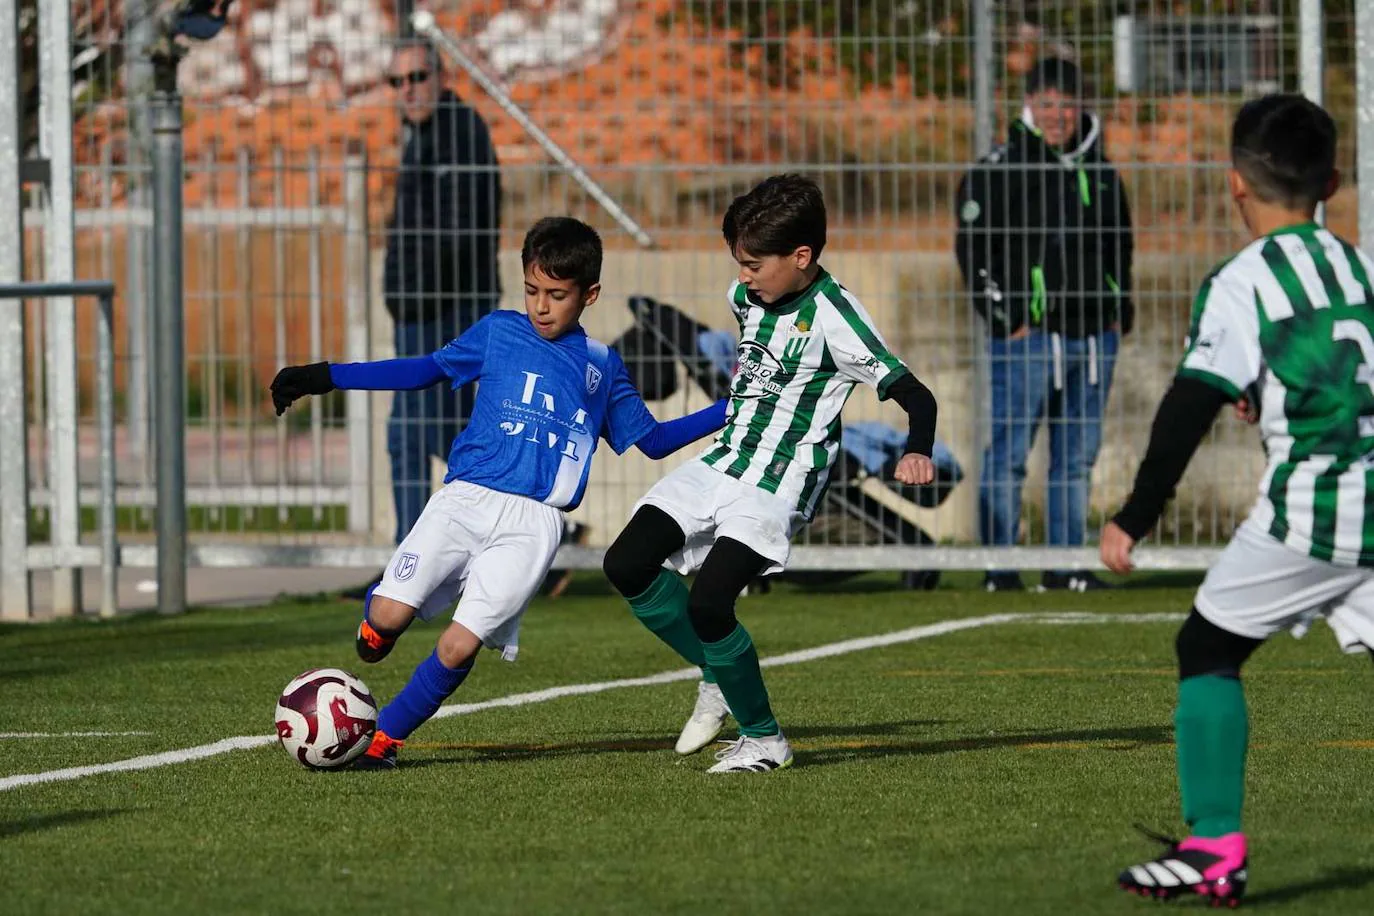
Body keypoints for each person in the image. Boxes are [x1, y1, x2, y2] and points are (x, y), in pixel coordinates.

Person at [270, 217, 728, 769]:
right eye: (532, 290)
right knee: (385, 622)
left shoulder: (603, 367)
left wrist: (730, 408)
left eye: (557, 295)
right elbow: (424, 371)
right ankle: (377, 625)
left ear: (590, 295)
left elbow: (652, 440)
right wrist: (326, 376)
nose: (541, 306)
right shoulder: (498, 331)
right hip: (463, 500)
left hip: (533, 525)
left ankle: (386, 740)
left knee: (458, 646)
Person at [1102, 94, 1374, 906]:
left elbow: (1187, 406)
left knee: (1207, 647)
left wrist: (1134, 514)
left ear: (1234, 185)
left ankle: (1213, 847)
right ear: (1330, 181)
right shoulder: (1361, 266)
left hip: (1320, 509)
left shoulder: (1243, 280)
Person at [601, 175, 939, 773]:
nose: (744, 276)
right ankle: (714, 672)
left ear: (801, 256)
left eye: (755, 263)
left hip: (779, 481)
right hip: (724, 460)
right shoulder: (746, 298)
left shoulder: (838, 318)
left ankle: (765, 739)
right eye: (740, 262)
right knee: (625, 562)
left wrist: (917, 449)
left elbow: (917, 394)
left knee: (711, 604)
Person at [955, 56, 1134, 592]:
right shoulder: (998, 168)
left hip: (1093, 336)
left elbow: (1121, 246)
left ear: (1083, 108)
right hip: (1027, 338)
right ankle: (998, 567)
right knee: (1009, 453)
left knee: (1075, 459)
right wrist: (1006, 317)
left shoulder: (1101, 171)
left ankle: (1066, 567)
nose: (1059, 114)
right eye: (1048, 103)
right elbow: (973, 249)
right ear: (1029, 105)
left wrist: (1118, 311)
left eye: (1068, 103)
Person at [344, 38, 503, 600]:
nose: (406, 90)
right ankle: (440, 557)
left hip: (447, 310)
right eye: (396, 81)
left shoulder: (459, 130)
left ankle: (413, 567)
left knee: (414, 435)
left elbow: (463, 230)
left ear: (439, 76)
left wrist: (411, 292)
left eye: (415, 77)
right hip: (423, 308)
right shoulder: (428, 134)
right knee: (439, 433)